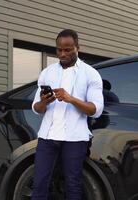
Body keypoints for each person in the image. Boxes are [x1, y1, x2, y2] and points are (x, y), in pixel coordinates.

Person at [31, 29, 104, 200]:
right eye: (59, 50)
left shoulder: (90, 74)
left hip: (75, 139)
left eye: (68, 49)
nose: (62, 54)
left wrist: (71, 99)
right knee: (39, 182)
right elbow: (36, 108)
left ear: (77, 47)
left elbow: (96, 110)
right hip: (47, 137)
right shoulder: (47, 73)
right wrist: (44, 102)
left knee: (73, 184)